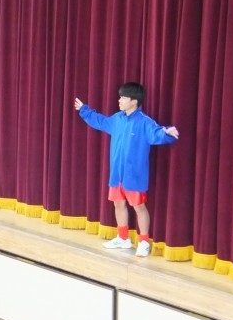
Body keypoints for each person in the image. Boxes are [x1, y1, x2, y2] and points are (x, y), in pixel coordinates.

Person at [73, 82, 179, 257]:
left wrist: (167, 132)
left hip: (134, 176)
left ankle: (143, 242)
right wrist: (84, 110)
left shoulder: (144, 122)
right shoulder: (117, 119)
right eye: (120, 97)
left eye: (123, 97)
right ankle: (123, 238)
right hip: (117, 174)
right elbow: (101, 121)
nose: (119, 100)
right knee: (118, 203)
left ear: (134, 101)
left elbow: (157, 133)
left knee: (139, 207)